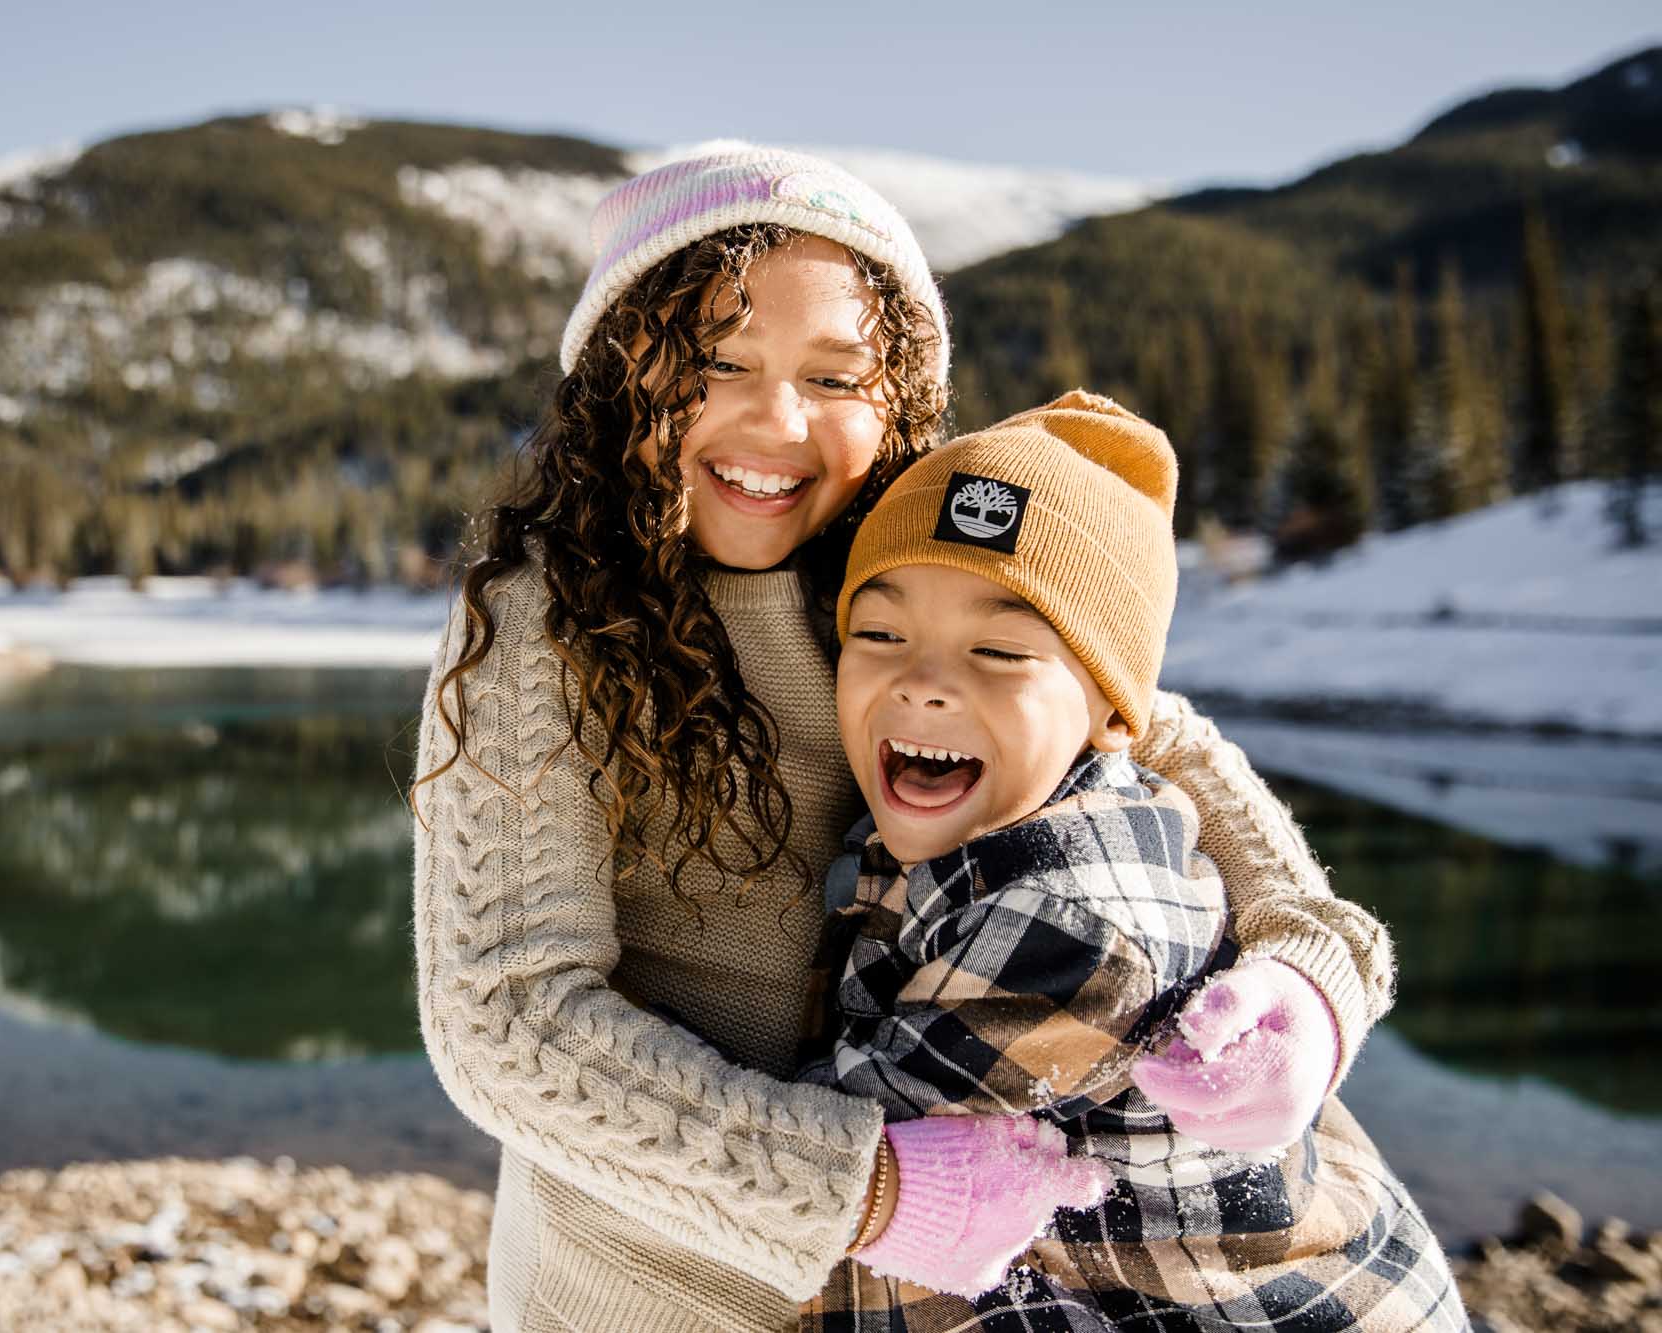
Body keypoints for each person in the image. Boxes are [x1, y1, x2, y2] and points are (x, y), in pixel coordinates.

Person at [411, 144, 1394, 1333]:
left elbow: (1151, 731)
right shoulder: (543, 618)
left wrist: (1310, 966)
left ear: (900, 397)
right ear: (621, 377)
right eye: (719, 363)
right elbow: (505, 1013)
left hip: (943, 1283)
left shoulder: (906, 559)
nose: (777, 421)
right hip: (653, 1283)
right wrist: (859, 1187)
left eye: (835, 377)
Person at [798, 391, 1466, 1329]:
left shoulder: (1072, 927)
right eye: (878, 634)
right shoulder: (1009, 810)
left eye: (998, 649)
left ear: (1116, 717)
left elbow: (822, 1159)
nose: (924, 681)